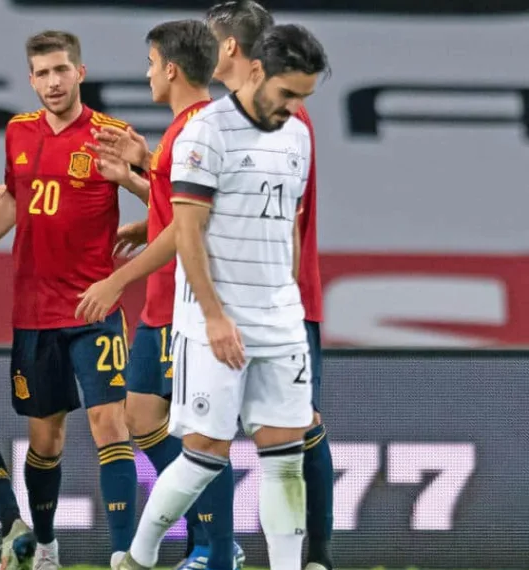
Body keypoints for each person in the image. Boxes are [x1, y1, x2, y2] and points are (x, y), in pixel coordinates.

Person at [120, 23, 329, 570]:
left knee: (284, 459)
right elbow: (187, 232)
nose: (294, 108)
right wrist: (213, 317)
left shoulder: (298, 135)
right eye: (287, 93)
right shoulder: (206, 131)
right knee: (203, 456)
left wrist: (286, 302)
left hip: (279, 323)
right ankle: (139, 557)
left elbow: (287, 227)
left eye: (303, 97)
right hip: (213, 323)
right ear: (256, 71)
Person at [76, 20, 243, 570]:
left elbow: (189, 226)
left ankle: (215, 547)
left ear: (171, 68)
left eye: (150, 63)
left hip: (184, 305)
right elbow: (178, 207)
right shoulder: (182, 129)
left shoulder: (200, 128)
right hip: (161, 303)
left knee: (199, 438)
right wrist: (142, 187)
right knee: (142, 417)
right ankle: (211, 539)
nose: (146, 73)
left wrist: (117, 279)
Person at [0, 30, 138, 570]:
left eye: (61, 69)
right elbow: (13, 202)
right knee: (45, 441)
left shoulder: (112, 135)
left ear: (80, 72)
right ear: (31, 80)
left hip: (94, 309)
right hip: (35, 312)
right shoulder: (20, 132)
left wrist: (137, 196)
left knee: (110, 426)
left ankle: (124, 554)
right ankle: (45, 545)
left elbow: (162, 194)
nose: (53, 82)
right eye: (42, 73)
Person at [203, 4, 334, 568]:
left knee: (298, 428)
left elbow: (285, 223)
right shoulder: (230, 116)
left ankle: (315, 556)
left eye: (211, 39)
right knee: (207, 432)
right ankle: (215, 550)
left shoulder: (282, 116)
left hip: (276, 300)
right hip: (238, 301)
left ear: (231, 47)